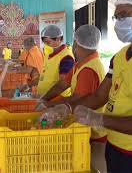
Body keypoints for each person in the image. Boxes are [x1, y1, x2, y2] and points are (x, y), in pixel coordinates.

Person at [50, 0, 132, 172]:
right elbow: (99, 96)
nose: (118, 22)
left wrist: (99, 119)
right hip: (117, 147)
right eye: (116, 17)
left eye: (123, 15)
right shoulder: (120, 57)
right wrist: (68, 109)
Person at [45, 25, 107, 172]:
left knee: (90, 166)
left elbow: (76, 99)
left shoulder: (88, 69)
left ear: (77, 43)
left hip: (94, 132)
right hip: (84, 125)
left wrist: (50, 106)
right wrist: (44, 100)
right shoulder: (81, 63)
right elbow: (62, 84)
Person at [20, 25, 75, 101]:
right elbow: (43, 77)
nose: (45, 45)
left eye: (48, 42)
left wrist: (44, 98)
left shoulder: (66, 58)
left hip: (57, 101)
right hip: (45, 98)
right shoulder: (49, 55)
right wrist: (28, 85)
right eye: (44, 43)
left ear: (59, 39)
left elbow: (63, 84)